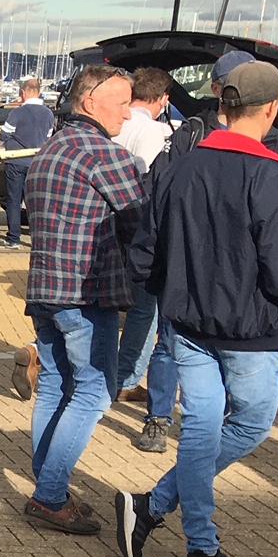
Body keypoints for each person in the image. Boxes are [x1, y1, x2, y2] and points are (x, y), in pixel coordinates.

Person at [114, 59, 278, 557]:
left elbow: (146, 252)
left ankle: (191, 539)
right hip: (250, 328)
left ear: (221, 104)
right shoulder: (276, 176)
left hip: (186, 319)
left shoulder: (177, 164)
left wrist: (171, 289)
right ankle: (171, 520)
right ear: (271, 108)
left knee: (204, 431)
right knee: (247, 424)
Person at [20, 64, 147, 535]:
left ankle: (49, 485)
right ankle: (49, 495)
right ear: (91, 103)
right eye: (121, 102)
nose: (129, 112)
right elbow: (140, 225)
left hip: (45, 289)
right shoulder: (104, 155)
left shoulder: (50, 149)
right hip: (85, 292)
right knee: (94, 390)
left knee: (55, 384)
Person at [112, 66, 178, 446]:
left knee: (103, 307)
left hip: (102, 228)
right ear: (163, 98)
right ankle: (125, 378)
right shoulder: (155, 132)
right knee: (144, 310)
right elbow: (154, 184)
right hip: (135, 229)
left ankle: (37, 353)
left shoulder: (116, 123)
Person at [0, 76, 57, 250]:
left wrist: (6, 145)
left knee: (14, 200)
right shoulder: (48, 113)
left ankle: (13, 239)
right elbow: (48, 138)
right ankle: (38, 240)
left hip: (15, 160)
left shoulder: (17, 112)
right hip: (36, 163)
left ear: (23, 92)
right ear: (39, 92)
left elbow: (3, 136)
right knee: (35, 202)